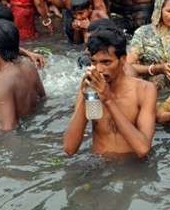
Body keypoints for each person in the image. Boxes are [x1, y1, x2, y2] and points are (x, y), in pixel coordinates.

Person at [63, 28, 157, 158]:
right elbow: (69, 149)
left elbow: (143, 149)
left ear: (123, 60)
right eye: (94, 62)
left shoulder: (144, 90)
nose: (99, 69)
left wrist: (108, 100)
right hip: (100, 167)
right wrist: (86, 97)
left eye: (106, 62)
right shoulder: (89, 89)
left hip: (132, 168)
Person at [0, 19, 45, 131]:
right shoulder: (28, 65)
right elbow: (42, 98)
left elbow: (9, 129)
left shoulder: (0, 84)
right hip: (36, 125)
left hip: (22, 135)